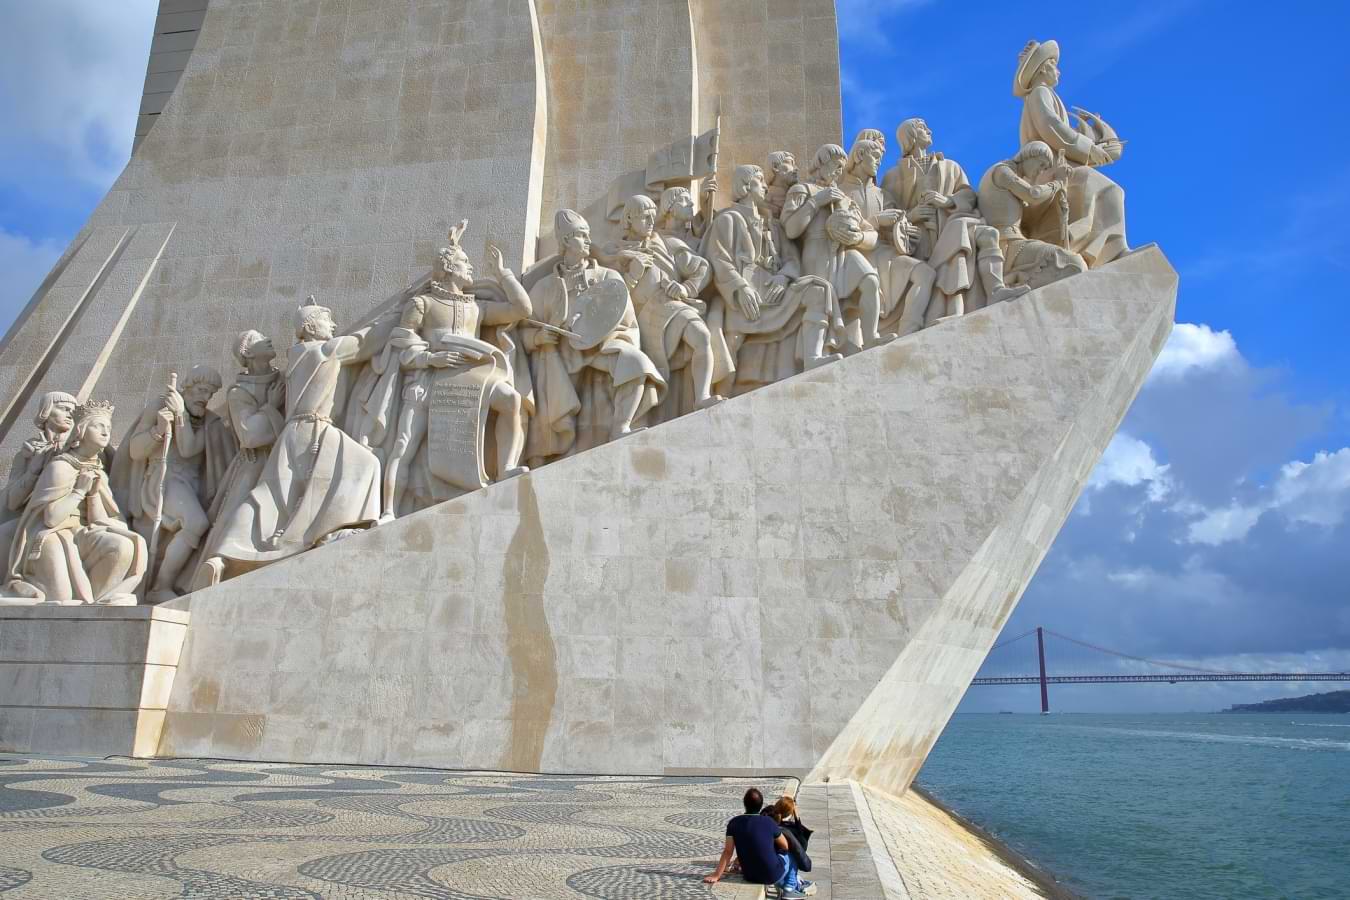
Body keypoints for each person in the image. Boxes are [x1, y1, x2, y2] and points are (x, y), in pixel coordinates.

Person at [6, 400, 145, 605]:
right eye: (99, 426)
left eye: (108, 427)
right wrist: (79, 491)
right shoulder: (60, 467)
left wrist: (93, 494)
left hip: (81, 532)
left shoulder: (97, 470)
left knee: (122, 546)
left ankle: (100, 603)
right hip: (50, 535)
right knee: (61, 598)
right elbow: (51, 519)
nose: (106, 432)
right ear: (81, 430)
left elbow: (98, 520)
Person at [115, 365, 235, 602]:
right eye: (201, 390)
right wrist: (159, 430)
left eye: (210, 393)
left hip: (189, 486)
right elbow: (136, 451)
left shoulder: (208, 423)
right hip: (164, 479)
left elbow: (189, 449)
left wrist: (180, 417)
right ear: (187, 387)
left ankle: (163, 584)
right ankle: (162, 585)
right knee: (196, 523)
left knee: (199, 524)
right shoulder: (159, 406)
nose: (205, 398)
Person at [189, 330, 286, 590]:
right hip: (255, 461)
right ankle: (221, 560)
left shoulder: (282, 378)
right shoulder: (238, 392)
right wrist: (271, 406)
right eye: (257, 339)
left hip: (283, 454)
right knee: (243, 509)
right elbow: (251, 436)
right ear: (248, 354)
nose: (268, 339)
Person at [705, 787, 815, 897]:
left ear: (744, 803)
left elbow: (728, 851)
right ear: (761, 804)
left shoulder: (734, 823)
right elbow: (785, 846)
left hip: (749, 875)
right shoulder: (768, 822)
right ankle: (789, 888)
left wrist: (716, 875)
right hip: (771, 875)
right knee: (791, 853)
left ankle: (790, 884)